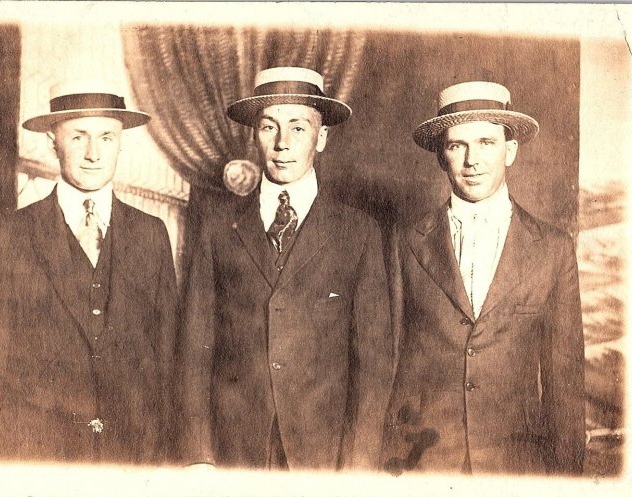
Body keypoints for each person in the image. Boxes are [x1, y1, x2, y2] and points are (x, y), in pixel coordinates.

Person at [176, 67, 392, 471]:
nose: (282, 143)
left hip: (323, 457)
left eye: (298, 127)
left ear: (321, 137)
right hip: (234, 453)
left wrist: (359, 465)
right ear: (254, 135)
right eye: (269, 127)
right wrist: (198, 458)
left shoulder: (359, 232)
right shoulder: (217, 229)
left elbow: (374, 363)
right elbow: (194, 351)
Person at [0, 80, 177, 464]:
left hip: (134, 456)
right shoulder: (14, 232)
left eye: (107, 137)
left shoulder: (151, 233)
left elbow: (167, 357)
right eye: (79, 137)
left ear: (121, 143)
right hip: (40, 454)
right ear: (52, 141)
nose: (94, 154)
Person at [381, 81, 585, 475]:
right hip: (420, 464)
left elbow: (565, 382)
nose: (472, 160)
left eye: (486, 142)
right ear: (441, 157)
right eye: (457, 145)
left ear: (510, 150)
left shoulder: (553, 248)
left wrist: (567, 482)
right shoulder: (404, 241)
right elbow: (384, 366)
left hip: (515, 466)